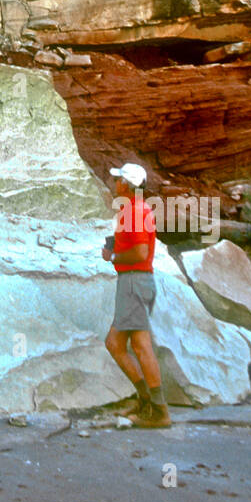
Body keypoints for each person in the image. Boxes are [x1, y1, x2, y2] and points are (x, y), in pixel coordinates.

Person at [102, 162, 172, 428]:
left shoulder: (134, 211)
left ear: (127, 186)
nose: (115, 183)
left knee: (140, 347)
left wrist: (114, 255)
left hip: (134, 281)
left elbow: (141, 253)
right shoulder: (134, 210)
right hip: (134, 282)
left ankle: (159, 411)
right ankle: (147, 400)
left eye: (119, 180)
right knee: (115, 344)